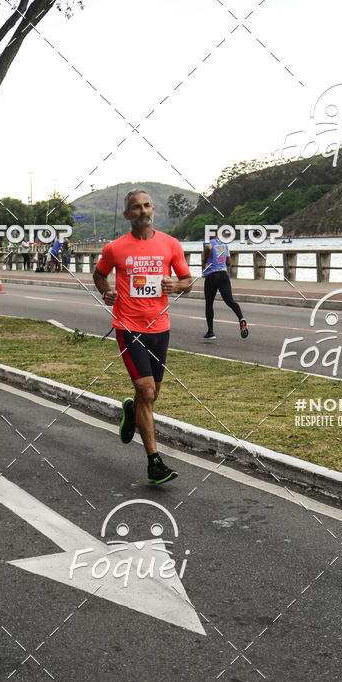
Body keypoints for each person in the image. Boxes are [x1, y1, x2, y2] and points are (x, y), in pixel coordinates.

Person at [93, 189, 192, 485]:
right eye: (135, 208)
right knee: (147, 391)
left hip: (160, 327)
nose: (142, 211)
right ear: (127, 215)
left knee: (151, 395)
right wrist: (105, 291)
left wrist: (176, 287)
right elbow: (99, 274)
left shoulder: (170, 244)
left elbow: (187, 281)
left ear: (153, 209)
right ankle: (154, 463)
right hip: (128, 327)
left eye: (147, 205)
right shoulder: (115, 248)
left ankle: (131, 410)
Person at [202, 237, 248, 341]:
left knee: (209, 303)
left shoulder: (207, 242)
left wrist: (205, 261)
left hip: (211, 275)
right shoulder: (224, 244)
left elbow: (208, 248)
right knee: (229, 300)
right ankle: (241, 318)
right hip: (223, 275)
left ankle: (210, 332)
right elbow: (228, 262)